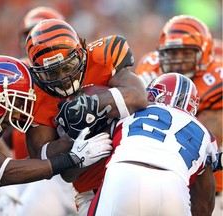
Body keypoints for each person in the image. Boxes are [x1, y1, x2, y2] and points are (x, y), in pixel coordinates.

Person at [0, 54, 113, 191]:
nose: (24, 108)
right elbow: (2, 171)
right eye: (18, 100)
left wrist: (64, 152)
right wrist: (71, 160)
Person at [24, 18, 147, 215]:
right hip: (90, 188)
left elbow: (139, 97)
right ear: (38, 73)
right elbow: (40, 157)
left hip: (135, 170)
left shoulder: (101, 57)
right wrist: (70, 137)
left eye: (67, 65)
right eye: (52, 73)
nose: (63, 77)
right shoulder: (36, 95)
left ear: (81, 48)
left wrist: (92, 106)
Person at [87, 73, 219, 216]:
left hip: (125, 173)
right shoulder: (204, 132)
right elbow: (203, 206)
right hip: (173, 185)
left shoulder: (129, 112)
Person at [0, 7, 78, 216]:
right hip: (30, 171)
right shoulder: (19, 74)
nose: (34, 41)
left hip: (71, 169)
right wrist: (9, 183)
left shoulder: (76, 68)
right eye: (27, 35)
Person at [135, 15, 223, 210]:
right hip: (162, 176)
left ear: (206, 52)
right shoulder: (151, 68)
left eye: (186, 53)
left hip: (209, 181)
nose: (178, 61)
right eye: (173, 53)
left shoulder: (216, 78)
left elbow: (203, 140)